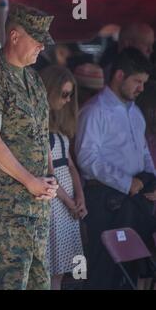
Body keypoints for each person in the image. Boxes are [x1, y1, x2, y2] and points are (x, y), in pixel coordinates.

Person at [0, 3, 58, 290]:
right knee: (10, 280)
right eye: (37, 40)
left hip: (36, 203)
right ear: (15, 36)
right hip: (4, 205)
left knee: (39, 280)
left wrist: (49, 179)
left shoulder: (34, 80)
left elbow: (42, 136)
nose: (42, 47)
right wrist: (31, 181)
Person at [76, 47, 156, 289]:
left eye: (144, 82)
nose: (141, 88)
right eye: (137, 81)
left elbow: (144, 154)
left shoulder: (136, 113)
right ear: (120, 75)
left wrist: (152, 182)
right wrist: (125, 182)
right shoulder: (94, 111)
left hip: (136, 199)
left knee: (134, 271)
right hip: (105, 200)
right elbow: (87, 158)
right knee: (105, 273)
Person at [39, 65, 86, 290]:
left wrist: (80, 198)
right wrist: (71, 203)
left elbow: (70, 165)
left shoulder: (59, 127)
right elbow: (49, 174)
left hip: (67, 202)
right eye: (64, 94)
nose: (67, 100)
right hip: (56, 203)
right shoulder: (40, 129)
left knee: (62, 270)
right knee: (51, 269)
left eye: (70, 95)